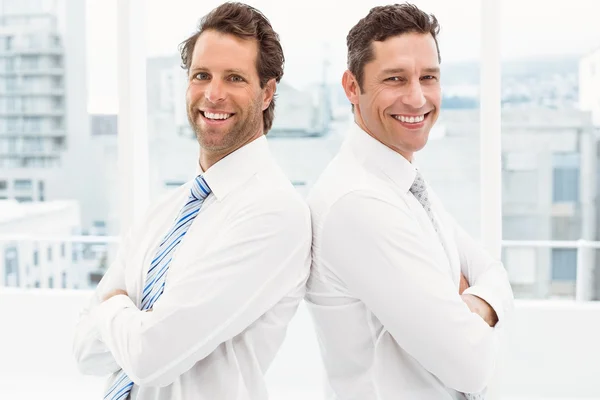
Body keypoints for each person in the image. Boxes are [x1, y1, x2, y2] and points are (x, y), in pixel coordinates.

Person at [73, 3, 311, 399]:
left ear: (267, 92)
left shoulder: (274, 213)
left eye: (234, 78)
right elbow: (83, 351)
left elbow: (152, 357)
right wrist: (136, 326)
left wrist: (113, 307)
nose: (213, 94)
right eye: (202, 75)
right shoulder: (164, 213)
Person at [306, 3, 514, 399]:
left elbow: (493, 270)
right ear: (352, 87)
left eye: (429, 77)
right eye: (396, 79)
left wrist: (470, 306)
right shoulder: (359, 201)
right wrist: (477, 312)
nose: (418, 98)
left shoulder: (401, 180)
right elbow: (471, 364)